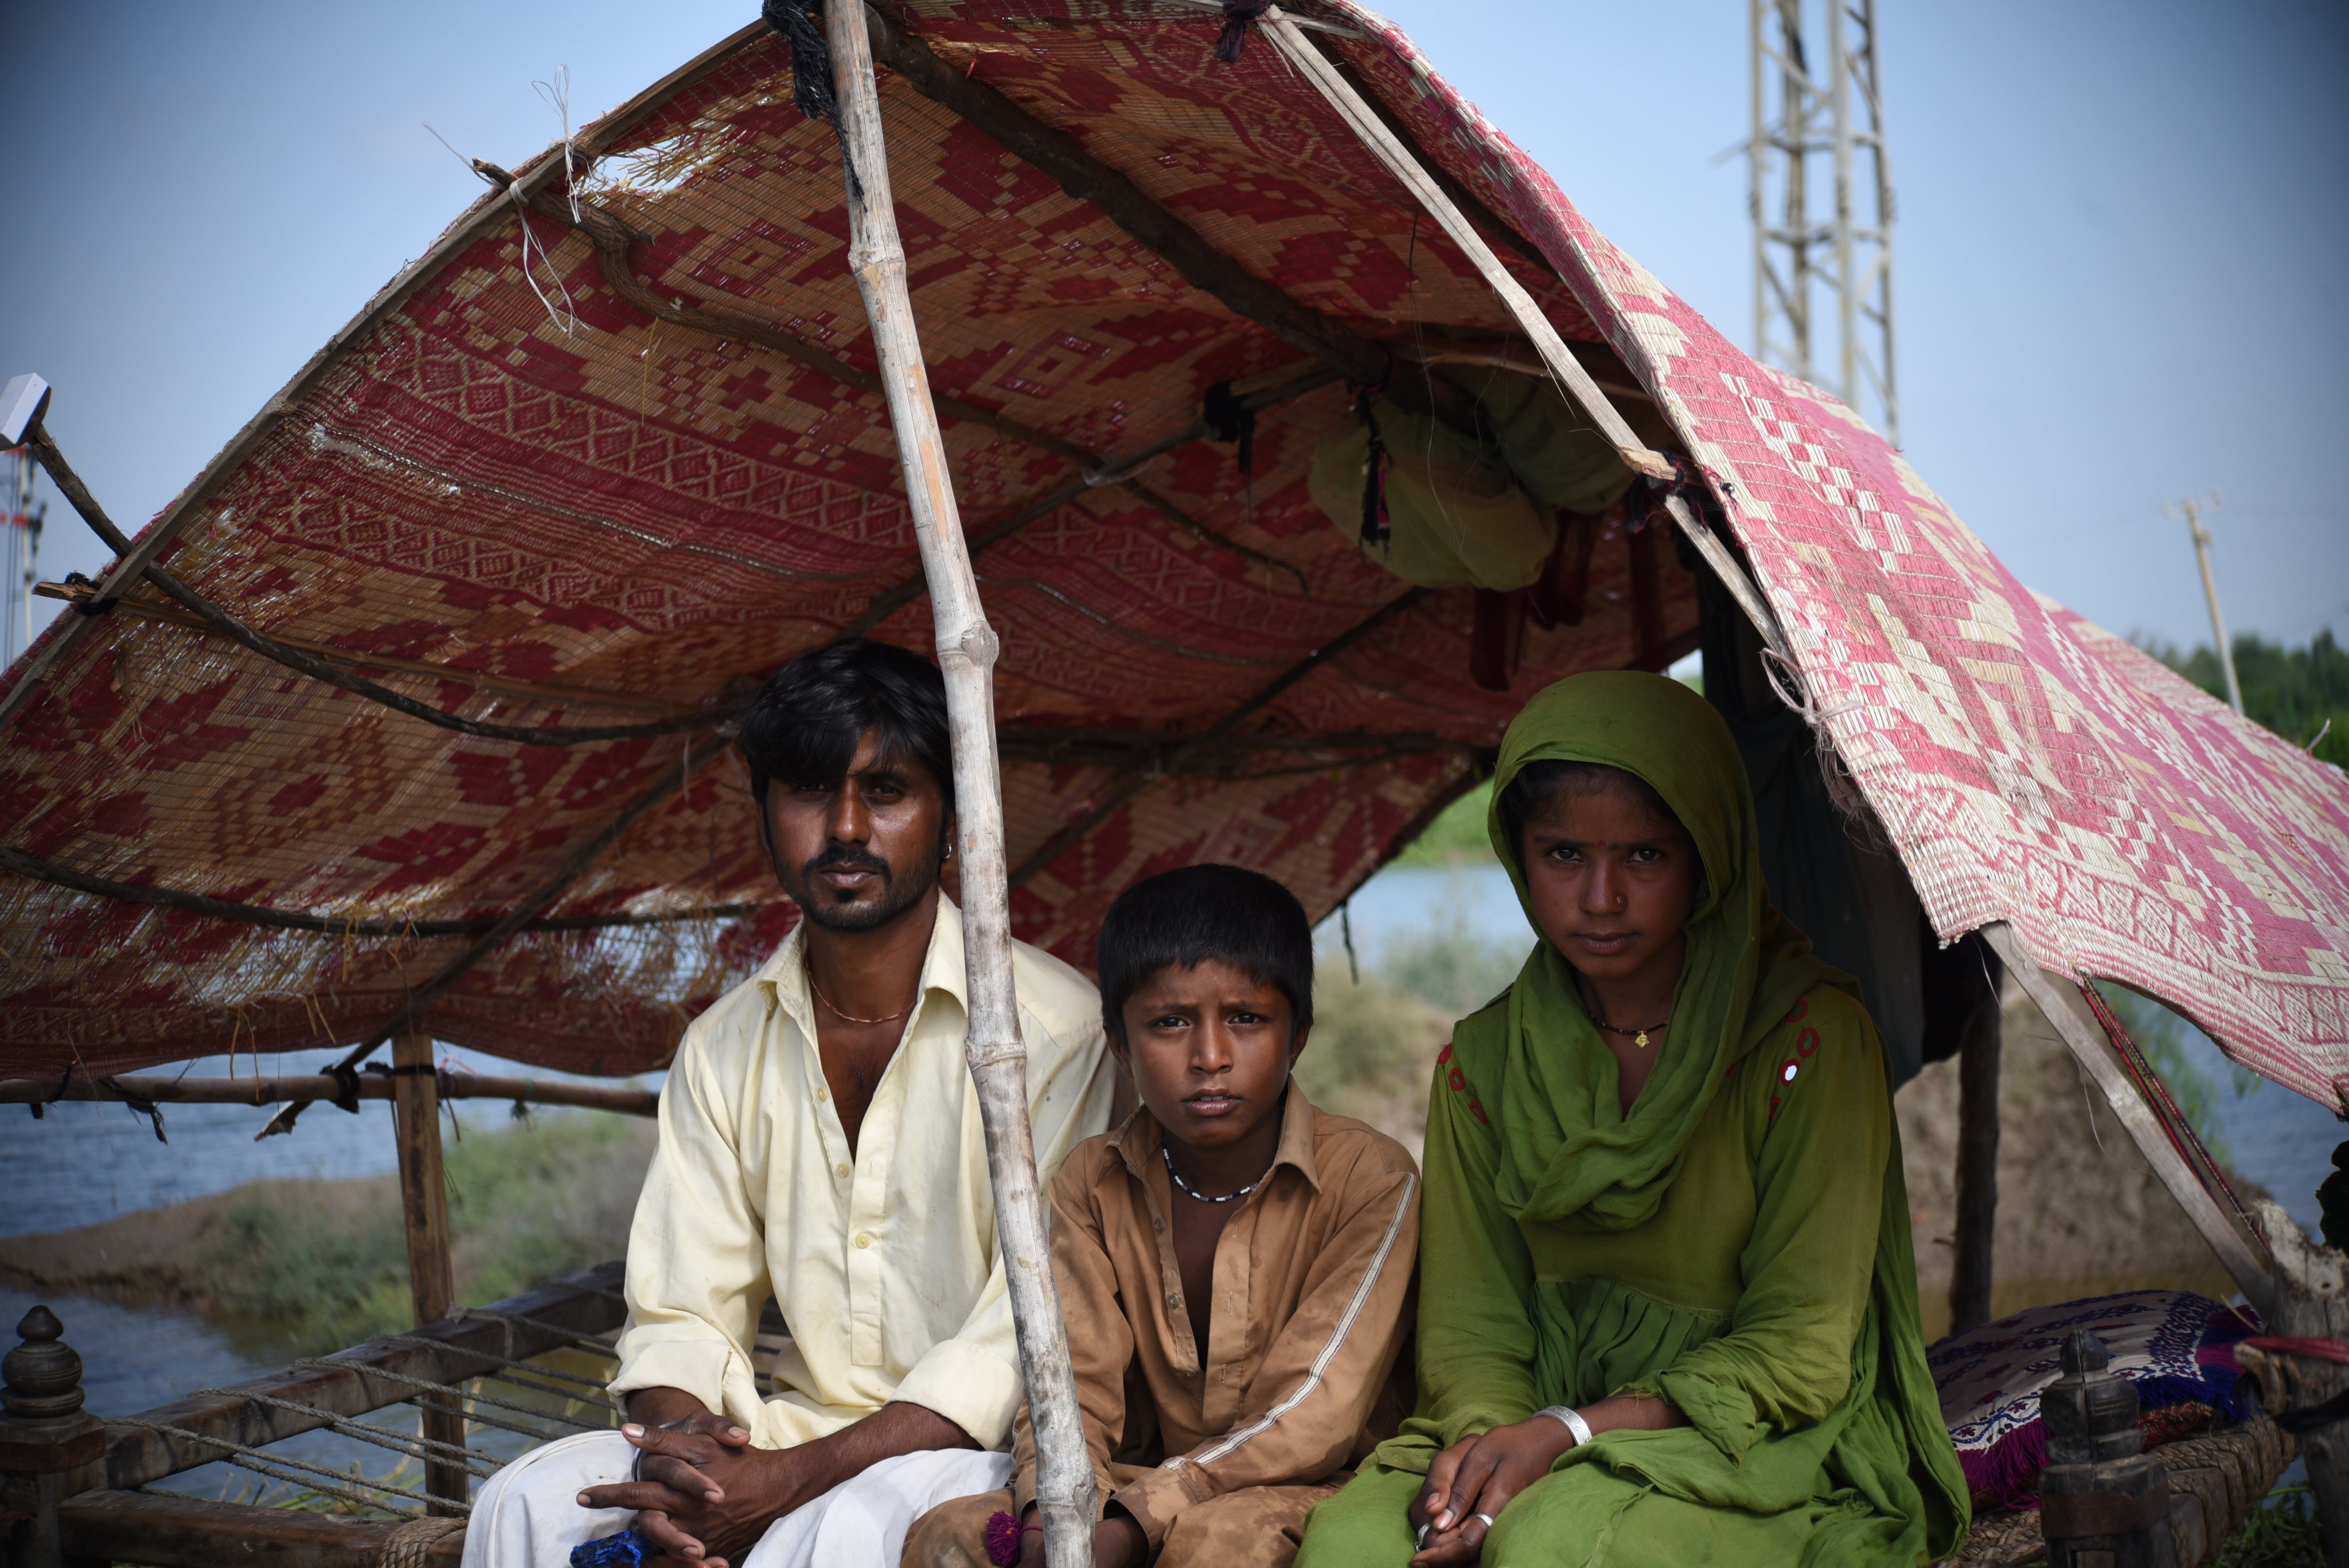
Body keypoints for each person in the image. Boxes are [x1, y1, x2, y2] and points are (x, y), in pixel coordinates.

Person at [463, 638, 1117, 1568]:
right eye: (810, 790)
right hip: (773, 1437)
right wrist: (688, 1464)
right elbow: (682, 1309)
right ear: (766, 812)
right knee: (524, 1504)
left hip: (975, 1457)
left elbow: (1018, 1337)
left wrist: (795, 1478)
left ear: (952, 810)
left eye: (885, 790)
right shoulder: (725, 1046)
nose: (845, 825)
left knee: (843, 1535)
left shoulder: (1055, 1033)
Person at [1293, 671, 1968, 1567]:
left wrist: (1568, 1434)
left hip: (1745, 1430)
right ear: (1518, 856)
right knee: (1351, 1549)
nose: (1601, 896)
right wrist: (1486, 1466)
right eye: (1564, 854)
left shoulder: (1810, 1042)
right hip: (1522, 1427)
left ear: (1708, 857)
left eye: (1645, 856)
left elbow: (1800, 1347)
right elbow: (1473, 1333)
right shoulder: (1484, 1065)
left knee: (1553, 1547)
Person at [903, 864, 1422, 1568]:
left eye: (1246, 1018)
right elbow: (1069, 1385)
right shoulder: (1093, 1180)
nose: (1209, 1058)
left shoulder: (1370, 1178)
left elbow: (1312, 1414)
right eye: (1170, 1022)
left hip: (1319, 1484)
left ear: (1296, 1035)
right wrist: (1047, 1512)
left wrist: (1131, 1522)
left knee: (1215, 1546)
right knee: (952, 1535)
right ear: (1120, 1043)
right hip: (1137, 1486)